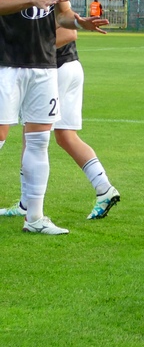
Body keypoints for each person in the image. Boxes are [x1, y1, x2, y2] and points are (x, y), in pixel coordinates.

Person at [0, 0, 108, 236]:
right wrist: (30, 0)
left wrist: (79, 23)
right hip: (8, 63)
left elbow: (61, 14)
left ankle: (34, 218)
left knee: (38, 143)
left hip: (46, 67)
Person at [1, 25, 121, 223]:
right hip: (70, 67)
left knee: (32, 135)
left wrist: (26, 50)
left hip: (55, 69)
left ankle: (26, 204)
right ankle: (104, 188)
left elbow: (68, 33)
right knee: (66, 136)